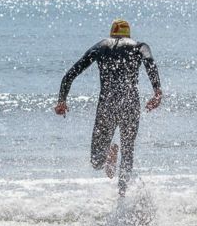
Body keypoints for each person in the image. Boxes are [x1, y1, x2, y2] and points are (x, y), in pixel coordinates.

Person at [55, 19, 162, 197]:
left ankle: (109, 153)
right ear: (128, 34)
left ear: (112, 34)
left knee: (96, 162)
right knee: (128, 152)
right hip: (130, 104)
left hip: (107, 106)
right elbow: (150, 62)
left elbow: (70, 74)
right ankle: (122, 195)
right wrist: (157, 91)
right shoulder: (140, 46)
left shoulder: (101, 46)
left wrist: (62, 100)